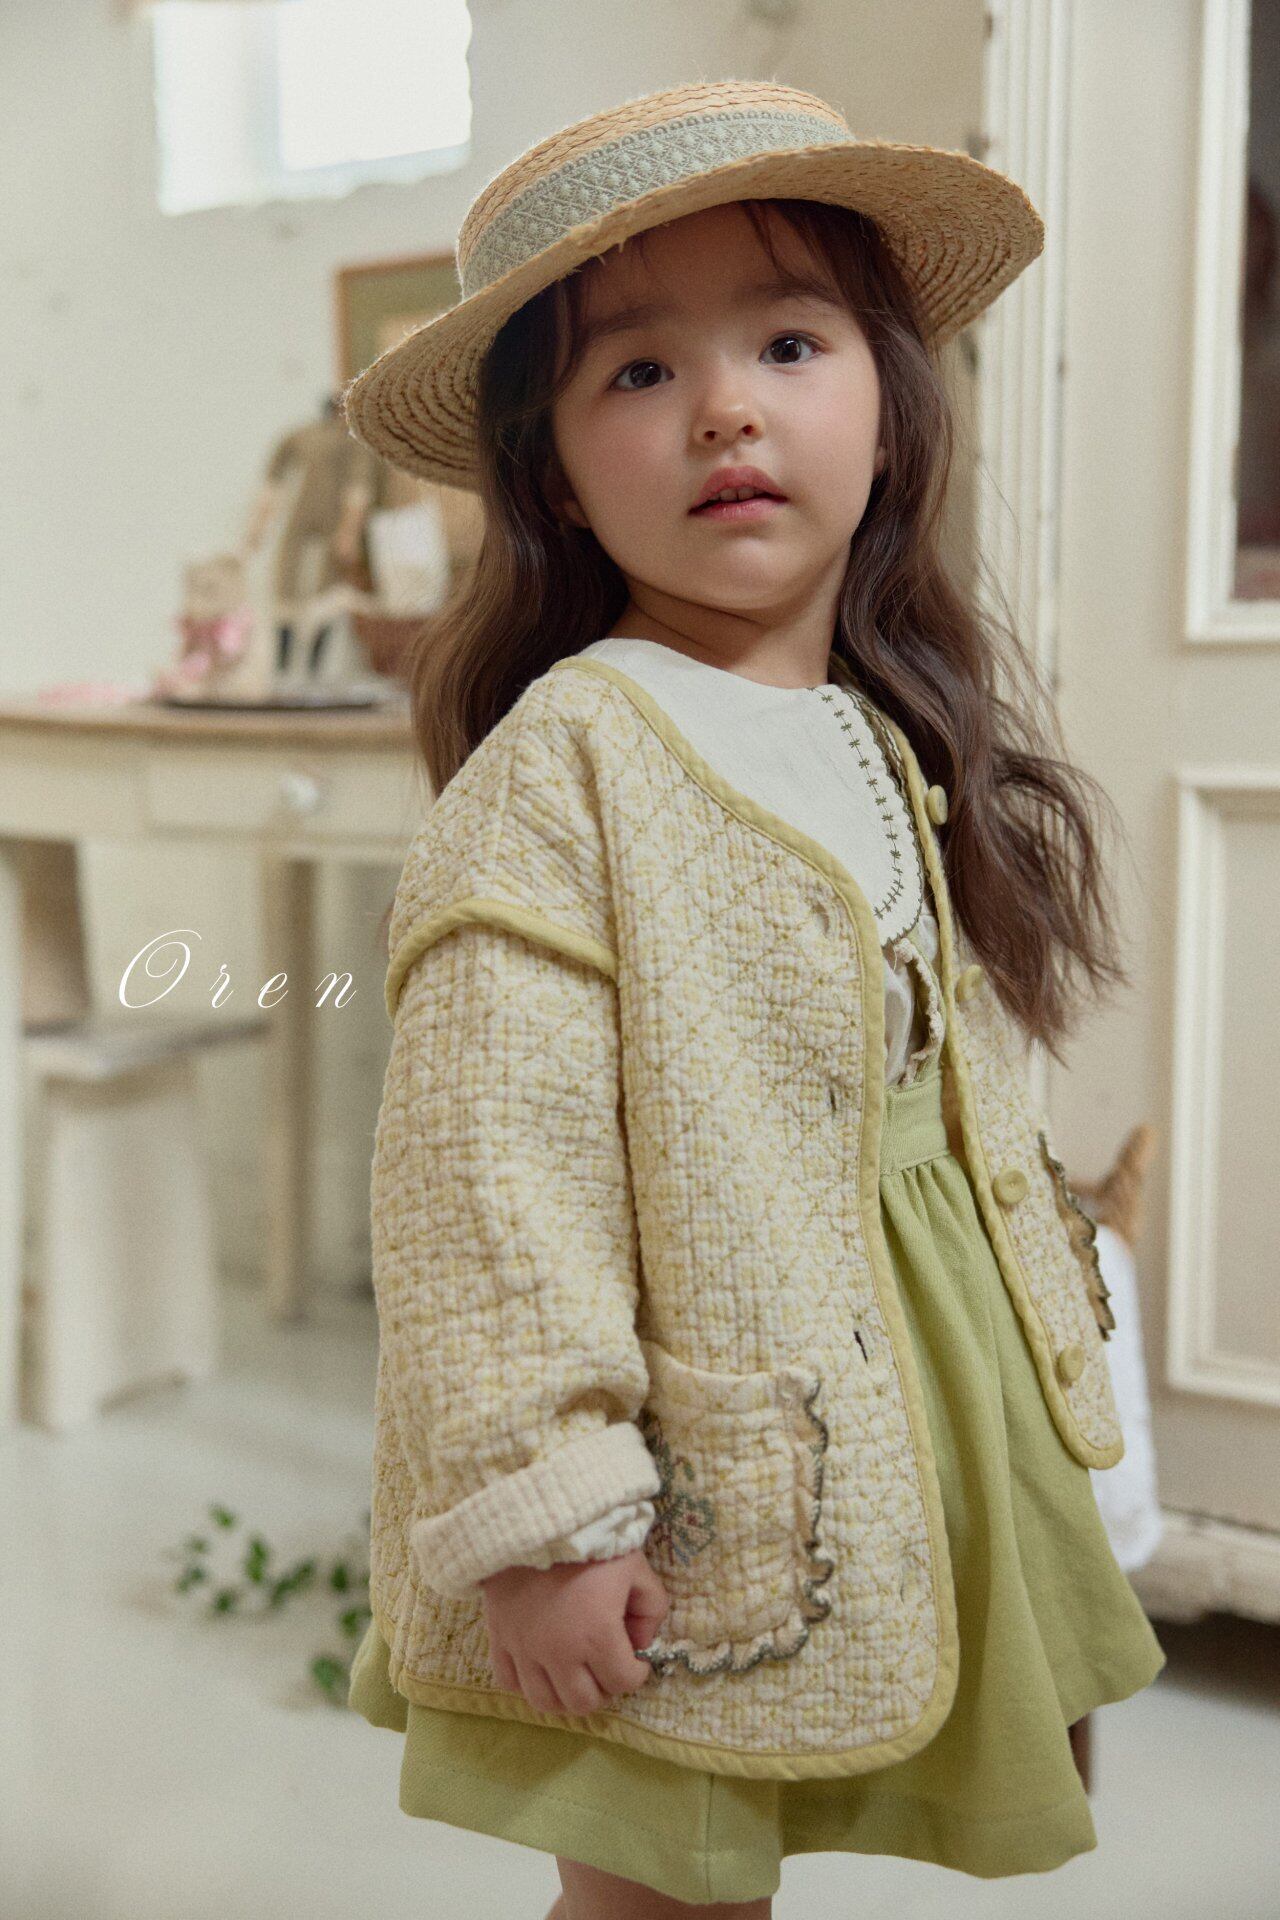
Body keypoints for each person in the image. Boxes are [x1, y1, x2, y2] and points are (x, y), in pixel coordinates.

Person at [341, 79, 1167, 1916]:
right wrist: (547, 1507)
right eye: (639, 371)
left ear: (888, 400)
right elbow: (491, 1177)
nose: (726, 407)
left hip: (905, 1378)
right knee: (669, 1886)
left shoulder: (880, 731)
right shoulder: (567, 767)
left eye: (789, 343)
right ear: (554, 470)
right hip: (696, 1444)